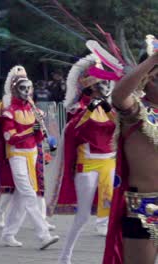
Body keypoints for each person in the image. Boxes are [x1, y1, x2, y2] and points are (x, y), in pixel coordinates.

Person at [46, 54, 116, 264]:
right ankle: (65, 255)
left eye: (105, 83)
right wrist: (91, 108)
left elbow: (118, 128)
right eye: (100, 83)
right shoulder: (80, 109)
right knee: (83, 216)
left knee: (116, 213)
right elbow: (75, 131)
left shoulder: (109, 107)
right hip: (88, 165)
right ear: (90, 87)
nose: (104, 86)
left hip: (109, 163)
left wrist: (108, 108)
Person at [103, 39, 158, 264]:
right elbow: (118, 96)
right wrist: (153, 60)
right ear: (147, 82)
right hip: (144, 207)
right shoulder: (136, 111)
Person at [0, 65, 59, 249]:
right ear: (15, 90)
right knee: (29, 195)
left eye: (28, 88)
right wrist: (32, 130)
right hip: (16, 156)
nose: (26, 92)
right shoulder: (8, 113)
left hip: (32, 155)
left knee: (21, 198)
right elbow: (11, 138)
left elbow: (37, 137)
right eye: (22, 88)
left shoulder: (33, 110)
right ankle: (43, 235)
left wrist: (40, 130)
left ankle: (8, 234)